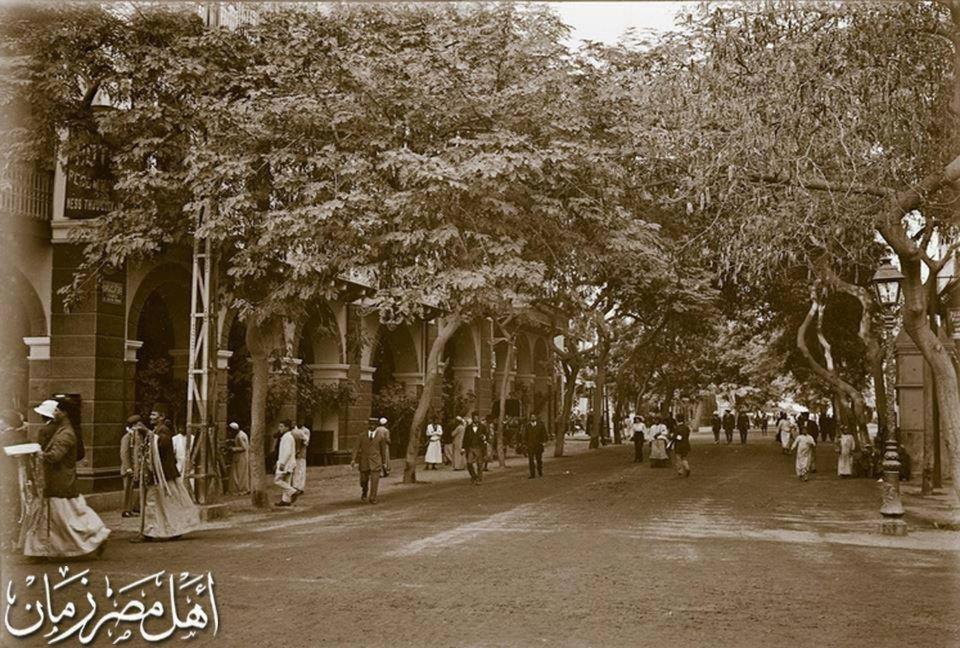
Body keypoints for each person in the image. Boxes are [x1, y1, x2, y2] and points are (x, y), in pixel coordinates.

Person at [22, 398, 110, 558]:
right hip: (58, 480)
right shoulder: (65, 430)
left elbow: (55, 455)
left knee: (65, 519)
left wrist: (40, 454)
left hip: (59, 481)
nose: (54, 413)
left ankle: (96, 537)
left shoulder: (65, 433)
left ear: (64, 413)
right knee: (64, 518)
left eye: (57, 411)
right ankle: (41, 549)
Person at [138, 408, 201, 541]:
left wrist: (147, 433)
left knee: (154, 502)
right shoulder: (157, 430)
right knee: (167, 503)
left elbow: (163, 443)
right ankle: (173, 529)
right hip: (160, 474)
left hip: (162, 475)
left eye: (154, 414)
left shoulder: (163, 430)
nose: (151, 416)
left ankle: (150, 532)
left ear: (161, 417)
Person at [1, 410, 28, 553]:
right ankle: (17, 540)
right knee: (17, 508)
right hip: (19, 478)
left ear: (6, 423)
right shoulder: (23, 437)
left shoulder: (4, 437)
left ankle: (6, 542)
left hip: (4, 477)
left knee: (5, 509)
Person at [352, 419, 389, 503]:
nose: (372, 426)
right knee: (363, 481)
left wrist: (384, 463)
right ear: (368, 425)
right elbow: (356, 448)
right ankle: (364, 490)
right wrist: (353, 459)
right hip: (364, 461)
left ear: (376, 426)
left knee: (375, 481)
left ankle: (373, 498)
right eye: (370, 424)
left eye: (374, 424)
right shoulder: (361, 436)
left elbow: (383, 451)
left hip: (376, 462)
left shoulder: (381, 437)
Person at [120, 415, 144, 518]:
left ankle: (133, 508)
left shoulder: (137, 436)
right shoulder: (127, 437)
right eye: (138, 424)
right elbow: (124, 453)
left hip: (135, 468)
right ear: (133, 425)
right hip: (128, 469)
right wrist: (128, 467)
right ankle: (126, 510)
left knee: (132, 488)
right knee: (128, 490)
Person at [273, 420, 298, 507]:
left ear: (287, 428)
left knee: (277, 480)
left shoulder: (287, 437)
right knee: (286, 481)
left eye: (281, 426)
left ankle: (293, 491)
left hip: (286, 462)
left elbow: (287, 452)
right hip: (288, 462)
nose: (279, 428)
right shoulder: (287, 437)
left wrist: (282, 463)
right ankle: (286, 500)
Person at [461, 412, 489, 485]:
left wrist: (484, 438)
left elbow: (487, 436)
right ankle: (474, 476)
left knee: (479, 464)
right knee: (469, 463)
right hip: (470, 447)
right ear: (472, 418)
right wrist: (463, 447)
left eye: (477, 417)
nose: (476, 419)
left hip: (479, 447)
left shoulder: (482, 427)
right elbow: (465, 438)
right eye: (474, 417)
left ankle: (479, 479)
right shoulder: (468, 428)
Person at [229, 422, 250, 495]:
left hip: (241, 457)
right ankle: (242, 489)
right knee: (241, 474)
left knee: (240, 474)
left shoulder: (240, 436)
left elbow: (243, 447)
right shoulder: (241, 434)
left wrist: (233, 449)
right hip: (241, 457)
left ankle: (241, 490)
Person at [291, 422, 310, 497]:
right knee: (295, 470)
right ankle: (294, 486)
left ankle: (299, 487)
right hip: (294, 453)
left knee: (300, 470)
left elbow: (306, 441)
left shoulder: (305, 431)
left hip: (301, 453)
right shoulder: (293, 431)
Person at [525, 413, 547, 478]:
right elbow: (525, 435)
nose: (533, 418)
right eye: (531, 417)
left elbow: (544, 434)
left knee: (539, 459)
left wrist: (543, 442)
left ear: (536, 417)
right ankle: (532, 474)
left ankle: (540, 471)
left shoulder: (540, 425)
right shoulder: (527, 426)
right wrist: (525, 444)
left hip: (538, 445)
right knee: (531, 460)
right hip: (530, 445)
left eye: (534, 417)